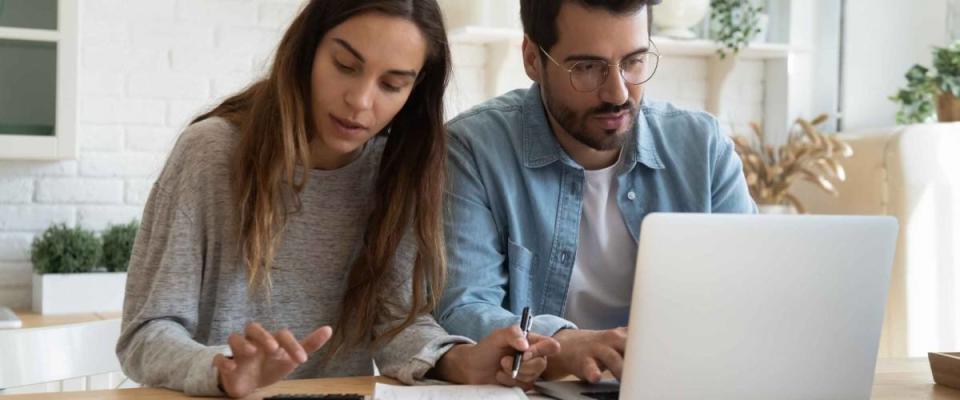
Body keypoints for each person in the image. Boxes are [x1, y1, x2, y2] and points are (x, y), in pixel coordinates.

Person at [116, 0, 558, 397]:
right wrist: (223, 369)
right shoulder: (209, 154)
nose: (360, 101)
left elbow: (395, 326)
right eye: (345, 65)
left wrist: (462, 360)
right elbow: (146, 334)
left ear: (414, 90)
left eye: (392, 84)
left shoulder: (396, 169)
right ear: (308, 50)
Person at [436, 0, 756, 385]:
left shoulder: (703, 150)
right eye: (587, 68)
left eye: (634, 61)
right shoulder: (472, 149)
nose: (618, 92)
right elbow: (463, 306)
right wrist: (565, 344)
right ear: (533, 59)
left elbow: (752, 296)